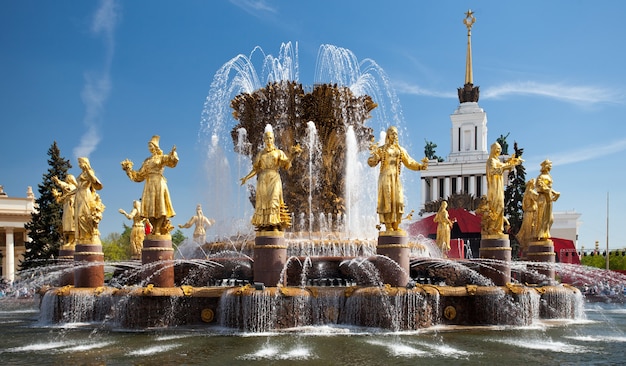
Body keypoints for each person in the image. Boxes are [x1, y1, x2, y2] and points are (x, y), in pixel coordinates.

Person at [368, 126, 428, 233]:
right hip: (385, 177)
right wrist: (374, 157)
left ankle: (396, 224)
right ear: (388, 135)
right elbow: (372, 163)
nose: (395, 135)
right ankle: (388, 226)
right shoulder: (382, 149)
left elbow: (409, 162)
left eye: (396, 133)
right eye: (392, 133)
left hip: (395, 178)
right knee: (387, 201)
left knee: (398, 201)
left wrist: (420, 166)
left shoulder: (400, 150)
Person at [241, 127, 300, 231]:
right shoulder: (261, 154)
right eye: (267, 138)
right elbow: (256, 169)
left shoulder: (278, 152)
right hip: (263, 178)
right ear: (264, 140)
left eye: (271, 138)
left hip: (274, 177)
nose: (269, 140)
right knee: (263, 202)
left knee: (274, 200)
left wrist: (293, 155)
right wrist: (246, 178)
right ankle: (264, 226)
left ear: (273, 139)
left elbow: (286, 164)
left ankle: (275, 225)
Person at [122, 135, 178, 236]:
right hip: (149, 185)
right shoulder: (146, 161)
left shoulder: (161, 158)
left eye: (151, 146)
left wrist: (173, 154)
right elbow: (139, 176)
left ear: (156, 147)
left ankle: (157, 229)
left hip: (159, 183)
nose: (150, 148)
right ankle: (154, 228)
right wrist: (128, 170)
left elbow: (171, 162)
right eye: (149, 146)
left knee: (160, 207)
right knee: (150, 209)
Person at [485, 142, 522, 236]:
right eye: (497, 149)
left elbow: (503, 166)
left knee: (501, 206)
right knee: (496, 207)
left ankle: (498, 229)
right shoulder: (491, 161)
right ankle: (492, 229)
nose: (499, 151)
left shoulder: (496, 161)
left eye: (500, 149)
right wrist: (506, 166)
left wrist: (511, 163)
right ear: (493, 149)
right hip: (494, 189)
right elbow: (493, 171)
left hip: (499, 188)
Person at [74, 157, 104, 244]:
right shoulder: (80, 175)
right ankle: (82, 237)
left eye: (80, 162)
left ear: (85, 163)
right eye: (79, 162)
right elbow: (76, 188)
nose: (79, 164)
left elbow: (95, 181)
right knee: (78, 217)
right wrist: (65, 196)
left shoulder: (89, 172)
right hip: (78, 196)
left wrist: (87, 170)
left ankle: (89, 235)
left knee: (84, 215)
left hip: (86, 195)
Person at [535, 159, 560, 240]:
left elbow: (549, 188)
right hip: (542, 198)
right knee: (542, 217)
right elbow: (538, 188)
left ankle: (545, 233)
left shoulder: (549, 176)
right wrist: (547, 190)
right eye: (549, 165)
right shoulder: (541, 176)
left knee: (550, 219)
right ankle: (540, 234)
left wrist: (555, 193)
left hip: (548, 199)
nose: (550, 167)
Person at [52, 174, 78, 248]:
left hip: (71, 207)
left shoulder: (72, 187)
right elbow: (62, 198)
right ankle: (69, 241)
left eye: (67, 178)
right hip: (68, 207)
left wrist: (58, 181)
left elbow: (64, 186)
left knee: (70, 225)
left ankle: (72, 241)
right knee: (67, 224)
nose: (66, 179)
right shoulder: (70, 189)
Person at [516, 179, 539, 253]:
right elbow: (539, 198)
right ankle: (528, 245)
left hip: (527, 213)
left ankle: (526, 246)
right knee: (529, 230)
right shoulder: (531, 192)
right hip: (530, 214)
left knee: (527, 229)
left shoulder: (526, 193)